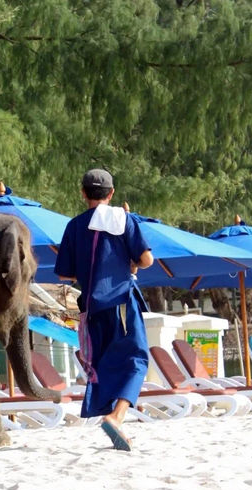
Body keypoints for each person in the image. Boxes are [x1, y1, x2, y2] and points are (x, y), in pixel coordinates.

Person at [54, 169, 154, 451]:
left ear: (83, 193)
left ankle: (111, 414)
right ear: (111, 194)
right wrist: (129, 262)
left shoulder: (74, 226)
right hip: (121, 301)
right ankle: (116, 417)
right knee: (136, 359)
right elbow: (147, 260)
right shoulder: (123, 218)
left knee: (106, 361)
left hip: (90, 307)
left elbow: (64, 274)